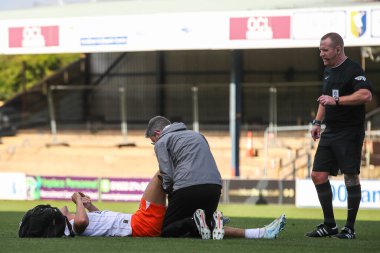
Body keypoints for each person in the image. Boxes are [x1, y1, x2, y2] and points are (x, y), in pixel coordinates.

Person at [61, 172, 287, 240]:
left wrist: (89, 205)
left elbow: (101, 220)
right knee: (161, 176)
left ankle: (262, 233)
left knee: (206, 231)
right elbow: (81, 222)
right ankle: (197, 213)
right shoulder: (74, 224)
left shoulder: (82, 219)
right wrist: (78, 201)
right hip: (141, 224)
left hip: (139, 223)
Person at [306, 32, 372, 239]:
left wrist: (337, 101)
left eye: (325, 50)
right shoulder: (328, 71)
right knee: (317, 174)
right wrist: (317, 122)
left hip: (349, 131)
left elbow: (366, 95)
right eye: (320, 50)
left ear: (338, 49)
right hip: (330, 131)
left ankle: (349, 229)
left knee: (350, 176)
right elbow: (323, 98)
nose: (321, 54)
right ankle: (329, 225)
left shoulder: (353, 69)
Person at [145, 116, 223, 239]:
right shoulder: (198, 135)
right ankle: (212, 222)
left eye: (153, 141)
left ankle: (195, 221)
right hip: (215, 188)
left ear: (157, 133)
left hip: (187, 187)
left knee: (167, 229)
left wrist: (167, 190)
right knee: (201, 231)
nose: (154, 143)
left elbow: (167, 174)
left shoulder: (162, 141)